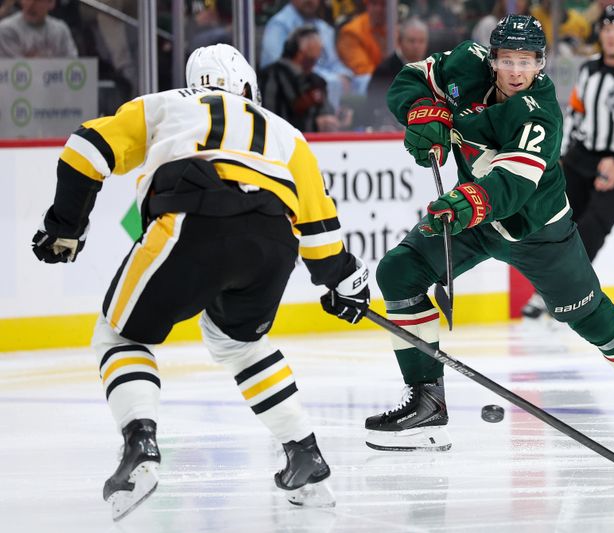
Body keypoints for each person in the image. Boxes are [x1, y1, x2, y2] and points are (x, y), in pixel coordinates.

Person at [31, 43, 370, 520]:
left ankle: (140, 447)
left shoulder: (167, 102)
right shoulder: (287, 133)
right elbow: (320, 232)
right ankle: (305, 453)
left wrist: (64, 227)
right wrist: (341, 283)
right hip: (273, 240)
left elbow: (86, 148)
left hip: (193, 215)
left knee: (119, 334)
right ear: (247, 86)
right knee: (240, 345)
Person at [362, 14, 614, 452]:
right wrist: (421, 112)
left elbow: (511, 186)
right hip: (476, 222)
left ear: (541, 63)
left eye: (527, 61)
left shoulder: (540, 113)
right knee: (398, 271)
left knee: (591, 316)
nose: (517, 72)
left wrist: (464, 204)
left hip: (537, 230)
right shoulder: (465, 62)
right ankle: (428, 402)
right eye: (508, 60)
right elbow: (410, 77)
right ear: (493, 58)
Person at [521, 4, 614, 319]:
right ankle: (545, 291)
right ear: (600, 32)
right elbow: (576, 114)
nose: (611, 35)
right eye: (606, 28)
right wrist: (560, 156)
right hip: (581, 158)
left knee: (591, 229)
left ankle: (564, 294)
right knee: (559, 224)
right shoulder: (588, 69)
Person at [259, 0, 359, 107]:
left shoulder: (324, 28)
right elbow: (277, 68)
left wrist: (345, 76)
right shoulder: (279, 24)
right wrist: (330, 78)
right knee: (332, 83)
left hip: (321, 98)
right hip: (288, 101)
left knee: (361, 82)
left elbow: (335, 63)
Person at [261, 26, 342, 132]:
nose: (314, 63)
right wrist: (314, 125)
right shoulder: (272, 77)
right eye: (312, 59)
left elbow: (327, 112)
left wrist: (336, 119)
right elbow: (269, 121)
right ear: (300, 53)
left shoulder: (317, 81)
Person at [363, 16, 429, 130]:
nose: (416, 46)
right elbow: (377, 107)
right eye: (412, 41)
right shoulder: (385, 71)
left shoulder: (432, 67)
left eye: (421, 41)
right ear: (399, 42)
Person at [0, 0, 78, 57]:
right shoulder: (7, 28)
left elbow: (72, 65)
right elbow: (13, 69)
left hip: (57, 78)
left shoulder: (61, 29)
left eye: (38, 1)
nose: (31, 4)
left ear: (51, 3)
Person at [336, 0, 388, 77]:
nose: (379, 9)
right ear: (367, 5)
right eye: (374, 4)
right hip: (365, 84)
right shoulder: (352, 32)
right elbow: (362, 70)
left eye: (383, 5)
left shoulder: (396, 28)